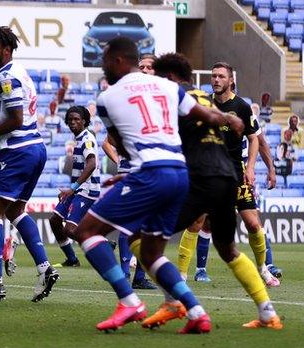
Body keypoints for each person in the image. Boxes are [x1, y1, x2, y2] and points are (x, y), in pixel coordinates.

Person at [74, 37, 239, 333]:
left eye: (105, 60)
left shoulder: (106, 99)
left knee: (86, 231)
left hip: (150, 173)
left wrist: (132, 172)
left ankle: (128, 301)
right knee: (151, 253)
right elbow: (208, 117)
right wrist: (230, 118)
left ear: (119, 60)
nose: (103, 66)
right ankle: (197, 311)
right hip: (179, 175)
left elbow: (123, 147)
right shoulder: (169, 87)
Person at [144, 52, 282, 330]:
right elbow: (230, 123)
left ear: (170, 77)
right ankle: (268, 313)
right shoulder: (205, 99)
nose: (154, 80)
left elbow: (250, 134)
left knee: (147, 236)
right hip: (225, 176)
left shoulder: (177, 97)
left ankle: (175, 299)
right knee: (226, 246)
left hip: (205, 177)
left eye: (156, 74)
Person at [0, 26, 59, 306]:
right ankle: (44, 268)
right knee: (16, 210)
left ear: (7, 50)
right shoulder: (21, 73)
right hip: (34, 148)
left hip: (17, 151)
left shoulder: (7, 78)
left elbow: (16, 120)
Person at [205, 61, 280, 286]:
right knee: (201, 222)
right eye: (213, 76)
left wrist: (260, 168)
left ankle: (264, 269)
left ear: (231, 81)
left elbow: (257, 139)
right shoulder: (204, 105)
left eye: (221, 76)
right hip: (210, 174)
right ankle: (186, 274)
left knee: (253, 223)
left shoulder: (242, 107)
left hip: (237, 174)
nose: (216, 80)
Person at [101, 135, 157, 290]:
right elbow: (107, 142)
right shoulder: (127, 119)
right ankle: (125, 273)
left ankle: (138, 277)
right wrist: (119, 161)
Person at [49, 106, 100, 268]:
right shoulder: (79, 138)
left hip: (87, 190)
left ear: (84, 121)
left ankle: (102, 244)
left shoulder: (87, 139)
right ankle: (72, 259)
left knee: (70, 230)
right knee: (55, 221)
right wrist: (72, 189)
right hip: (77, 188)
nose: (73, 122)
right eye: (70, 119)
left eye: (77, 119)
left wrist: (73, 187)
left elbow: (92, 163)